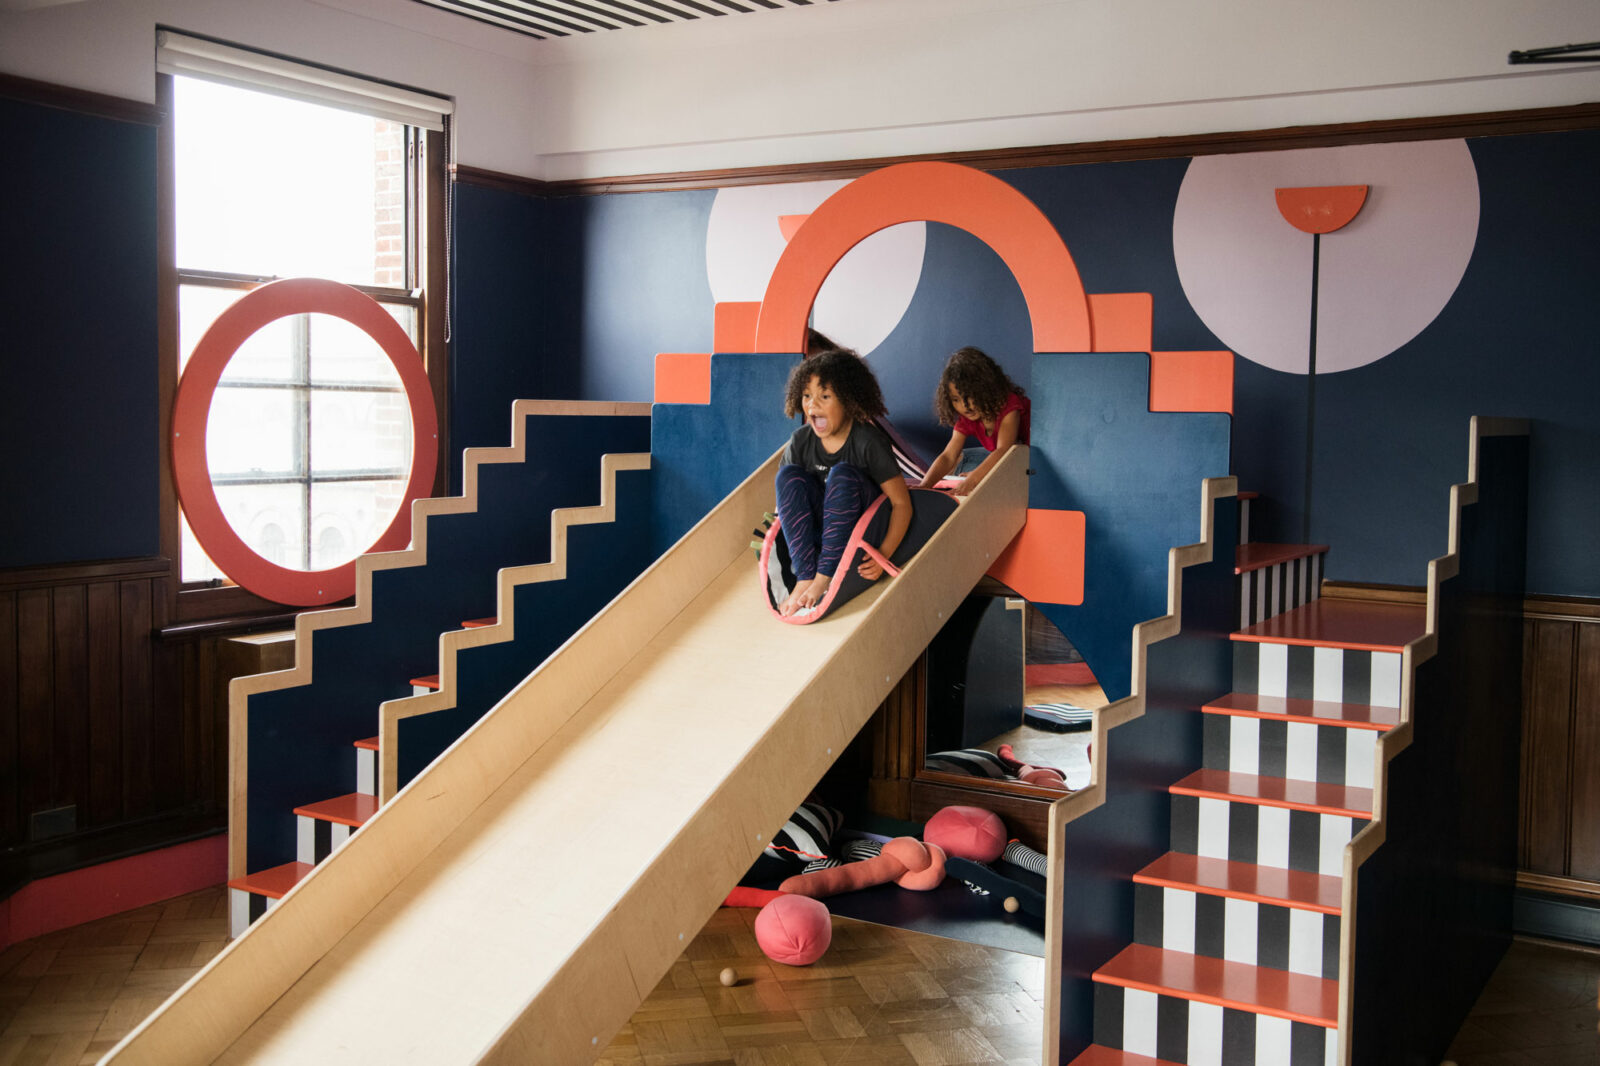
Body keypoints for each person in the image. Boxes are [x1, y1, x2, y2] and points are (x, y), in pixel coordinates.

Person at [775, 349, 912, 617]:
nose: (813, 406)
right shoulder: (801, 441)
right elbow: (789, 505)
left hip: (858, 533)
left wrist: (882, 554)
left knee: (842, 474)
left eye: (824, 397)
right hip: (822, 535)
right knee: (787, 475)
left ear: (848, 401)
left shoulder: (867, 441)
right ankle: (805, 575)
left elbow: (901, 503)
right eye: (806, 396)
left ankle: (823, 577)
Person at [918, 346, 1030, 496]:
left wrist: (973, 480)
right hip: (1007, 458)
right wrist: (925, 485)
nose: (965, 406)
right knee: (962, 458)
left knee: (993, 467)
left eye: (969, 397)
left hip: (1031, 457)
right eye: (956, 400)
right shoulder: (968, 417)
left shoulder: (1009, 405)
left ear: (986, 390)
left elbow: (1004, 450)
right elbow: (948, 455)